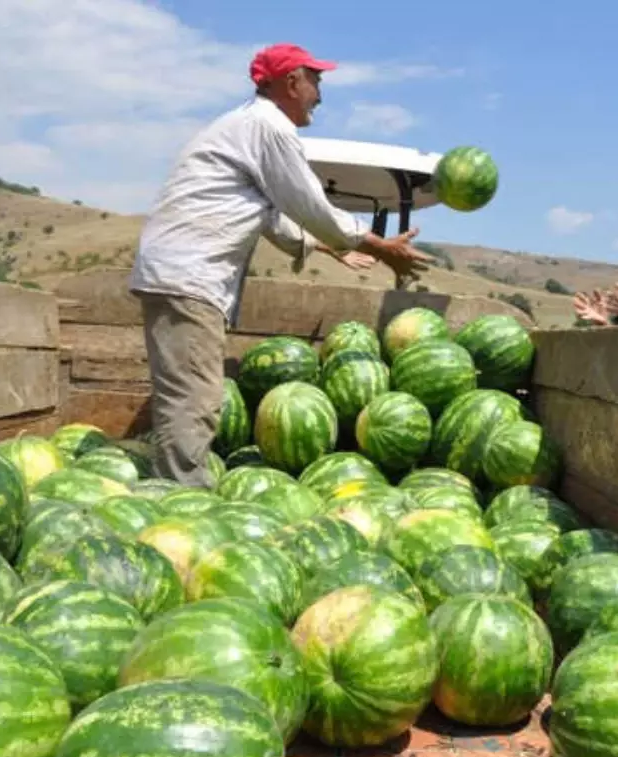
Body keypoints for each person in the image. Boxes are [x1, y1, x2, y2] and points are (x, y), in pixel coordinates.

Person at [128, 42, 436, 488]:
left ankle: (178, 491)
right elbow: (307, 201)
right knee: (194, 399)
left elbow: (273, 215)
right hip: (189, 277)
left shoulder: (248, 128)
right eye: (316, 80)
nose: (319, 93)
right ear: (291, 81)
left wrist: (330, 248)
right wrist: (376, 244)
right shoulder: (268, 127)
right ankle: (181, 502)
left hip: (181, 274)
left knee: (192, 395)